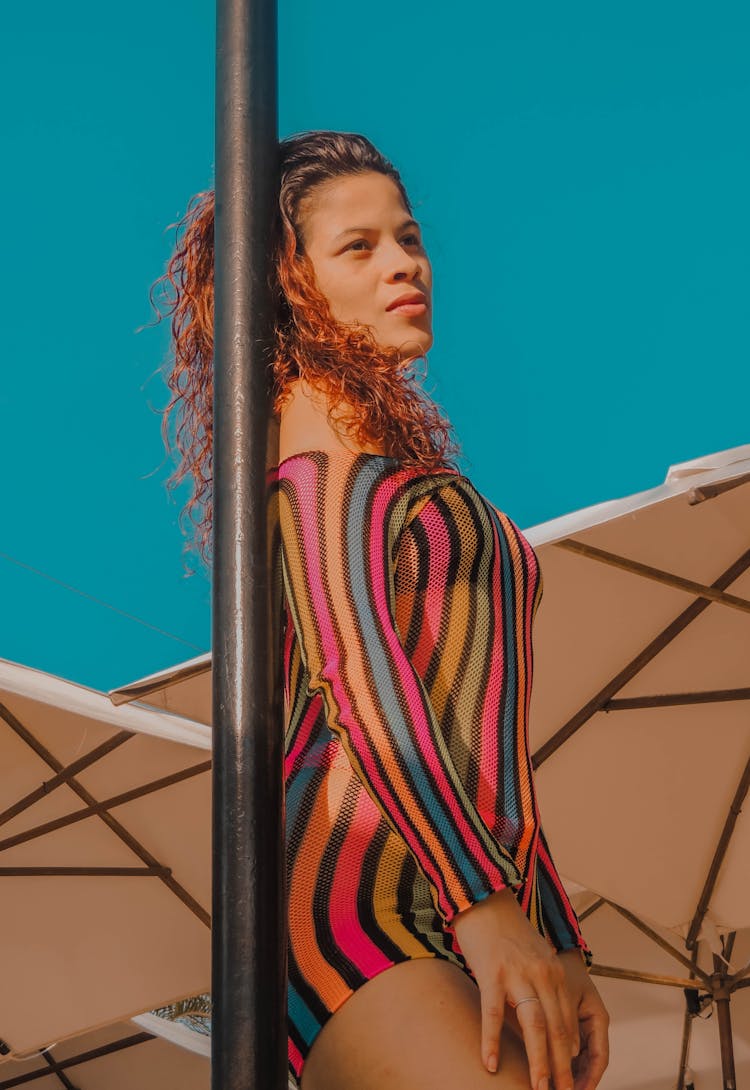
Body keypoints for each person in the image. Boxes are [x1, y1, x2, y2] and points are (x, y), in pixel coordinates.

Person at [152, 130, 610, 1090]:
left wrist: (558, 930)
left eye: (408, 237)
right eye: (357, 247)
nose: (405, 263)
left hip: (450, 892)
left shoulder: (382, 457)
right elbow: (356, 677)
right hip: (359, 905)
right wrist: (490, 906)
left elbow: (478, 744)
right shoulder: (313, 441)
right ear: (285, 283)